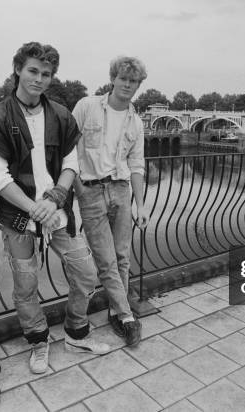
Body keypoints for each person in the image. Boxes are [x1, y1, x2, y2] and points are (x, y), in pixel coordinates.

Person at [0, 42, 114, 376]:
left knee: (86, 271)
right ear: (18, 69)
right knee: (25, 284)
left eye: (46, 73)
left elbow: (70, 162)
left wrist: (54, 198)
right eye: (33, 70)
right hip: (19, 216)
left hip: (58, 212)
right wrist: (36, 208)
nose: (38, 78)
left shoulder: (60, 115)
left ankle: (76, 332)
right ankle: (38, 339)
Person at [71, 56, 148, 345]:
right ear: (113, 78)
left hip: (120, 190)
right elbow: (68, 147)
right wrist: (77, 185)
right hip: (90, 190)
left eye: (133, 81)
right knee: (105, 260)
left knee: (122, 257)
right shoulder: (87, 106)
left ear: (138, 85)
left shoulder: (136, 122)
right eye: (123, 78)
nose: (128, 84)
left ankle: (117, 311)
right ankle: (127, 317)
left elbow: (137, 165)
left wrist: (141, 204)